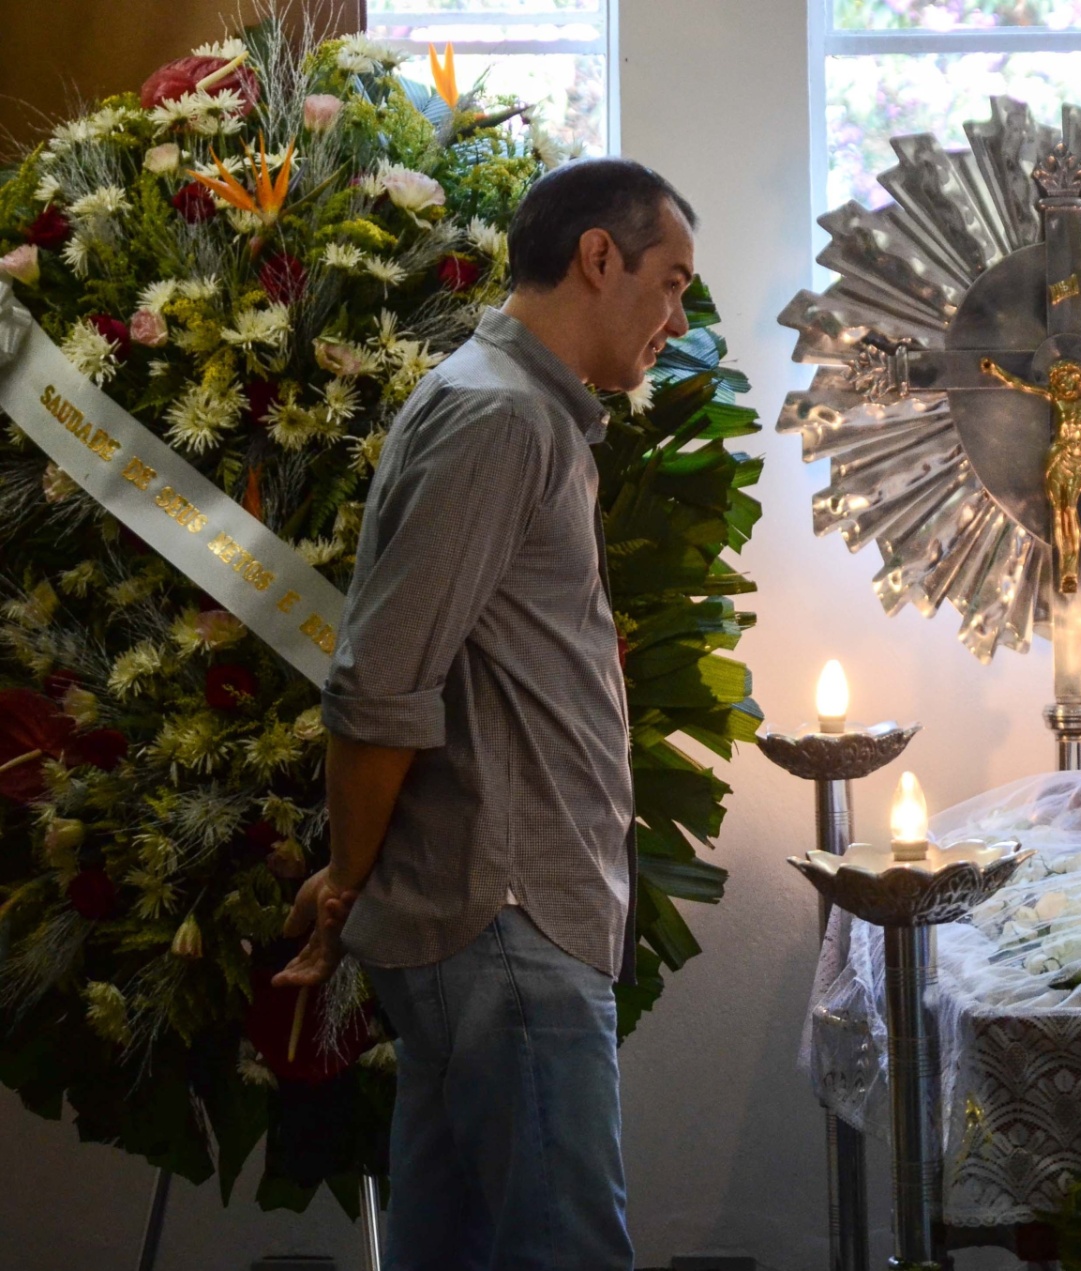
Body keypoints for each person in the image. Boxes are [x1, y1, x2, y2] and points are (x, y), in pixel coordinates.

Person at [272, 157, 698, 1271]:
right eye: (672, 282)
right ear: (598, 258)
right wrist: (346, 882)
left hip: (496, 913)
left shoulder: (509, 405)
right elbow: (381, 684)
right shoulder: (502, 418)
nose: (677, 316)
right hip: (504, 917)